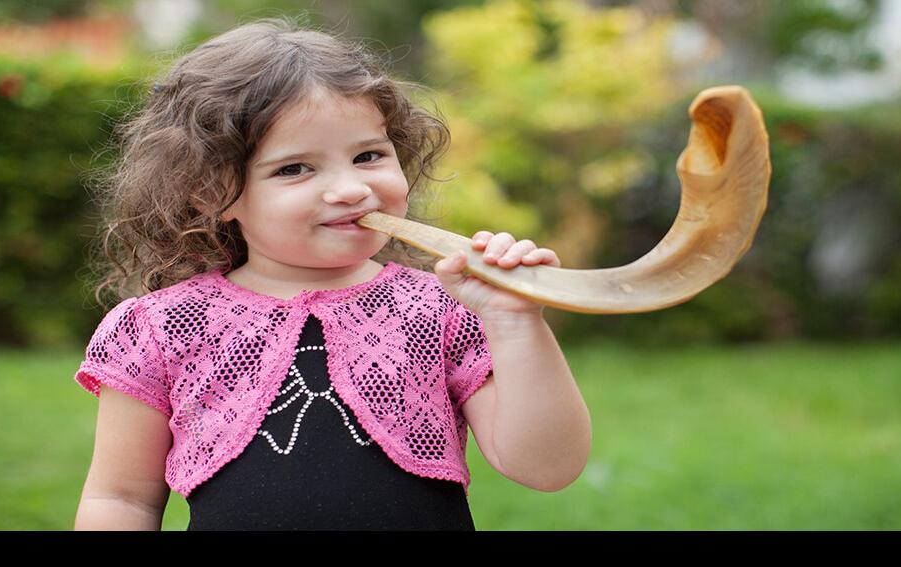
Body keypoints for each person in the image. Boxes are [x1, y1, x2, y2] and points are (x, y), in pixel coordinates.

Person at [72, 16, 591, 531]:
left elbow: (546, 468)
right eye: (295, 168)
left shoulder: (445, 309)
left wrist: (515, 322)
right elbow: (121, 498)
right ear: (213, 193)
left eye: (368, 155)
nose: (349, 189)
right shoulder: (159, 326)